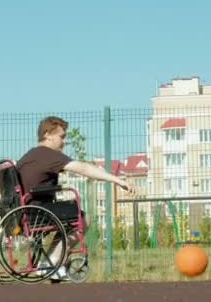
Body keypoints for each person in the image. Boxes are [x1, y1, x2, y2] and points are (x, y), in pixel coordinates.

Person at [16, 115, 135, 282]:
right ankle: (49, 264)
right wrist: (117, 180)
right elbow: (83, 168)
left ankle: (51, 262)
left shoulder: (30, 155)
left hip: (25, 212)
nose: (64, 141)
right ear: (47, 134)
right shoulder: (48, 155)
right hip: (38, 212)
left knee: (67, 219)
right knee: (82, 218)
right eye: (61, 136)